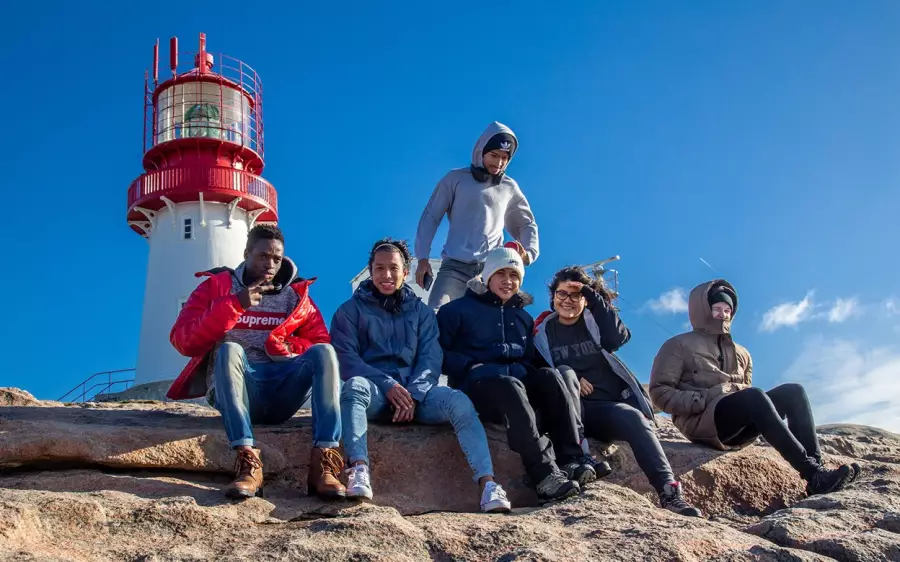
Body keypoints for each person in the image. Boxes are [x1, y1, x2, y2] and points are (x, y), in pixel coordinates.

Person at [331, 238, 512, 513]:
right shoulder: (349, 311)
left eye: (394, 268)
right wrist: (388, 385)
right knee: (354, 387)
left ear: (406, 272)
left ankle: (488, 485)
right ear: (371, 271)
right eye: (379, 268)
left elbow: (431, 359)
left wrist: (413, 396)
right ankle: (359, 469)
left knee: (458, 401)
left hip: (418, 396)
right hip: (376, 394)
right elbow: (346, 359)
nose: (386, 275)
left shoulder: (422, 312)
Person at [167, 225, 345, 500]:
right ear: (247, 253)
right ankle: (248, 461)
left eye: (276, 258)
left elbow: (318, 340)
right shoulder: (218, 287)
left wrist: (285, 347)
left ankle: (324, 461)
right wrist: (235, 303)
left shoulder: (296, 296)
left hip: (281, 391)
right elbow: (183, 340)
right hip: (237, 387)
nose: (270, 264)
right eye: (263, 256)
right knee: (229, 349)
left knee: (324, 352)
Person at [649, 279, 860, 497]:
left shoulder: (743, 353)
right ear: (702, 309)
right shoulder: (678, 345)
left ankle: (817, 474)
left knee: (794, 392)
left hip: (737, 425)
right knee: (753, 396)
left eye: (727, 310)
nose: (723, 315)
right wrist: (703, 399)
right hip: (703, 423)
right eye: (717, 309)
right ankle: (812, 473)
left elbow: (746, 394)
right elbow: (659, 392)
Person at [534, 267, 702, 517]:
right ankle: (579, 457)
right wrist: (570, 377)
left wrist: (592, 295)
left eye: (576, 295)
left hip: (602, 409)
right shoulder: (542, 332)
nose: (568, 300)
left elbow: (618, 337)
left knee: (633, 418)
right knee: (565, 372)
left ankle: (669, 492)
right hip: (565, 413)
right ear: (553, 296)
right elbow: (536, 371)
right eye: (562, 294)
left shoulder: (594, 322)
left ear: (585, 298)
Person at [437, 247, 595, 503]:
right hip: (478, 388)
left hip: (515, 389)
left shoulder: (522, 317)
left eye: (514, 275)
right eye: (501, 273)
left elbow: (529, 358)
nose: (507, 281)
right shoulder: (456, 311)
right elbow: (439, 354)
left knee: (550, 376)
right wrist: (468, 367)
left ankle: (571, 459)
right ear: (487, 276)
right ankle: (544, 474)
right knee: (510, 385)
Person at [414, 121, 539, 309]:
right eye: (494, 155)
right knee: (437, 314)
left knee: (490, 320)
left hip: (490, 270)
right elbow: (431, 216)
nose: (499, 163)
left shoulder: (508, 187)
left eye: (504, 158)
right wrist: (422, 257)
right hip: (454, 268)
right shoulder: (455, 179)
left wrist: (529, 253)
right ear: (481, 151)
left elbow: (526, 224)